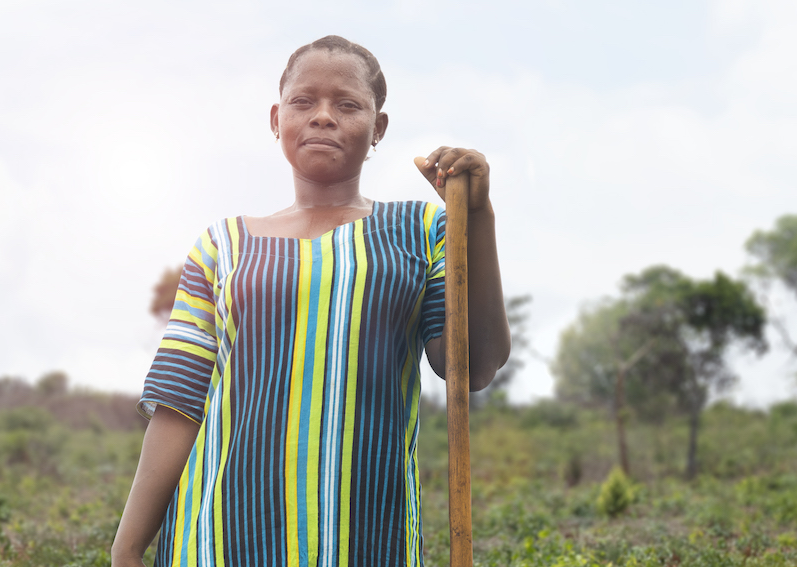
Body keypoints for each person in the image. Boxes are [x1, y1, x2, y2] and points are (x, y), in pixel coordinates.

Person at [111, 35, 510, 567]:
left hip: (367, 541)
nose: (323, 116)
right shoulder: (223, 246)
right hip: (217, 540)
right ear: (277, 119)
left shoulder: (423, 230)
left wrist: (477, 218)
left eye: (347, 104)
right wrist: (128, 547)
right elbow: (180, 406)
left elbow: (471, 366)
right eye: (304, 102)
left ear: (378, 128)